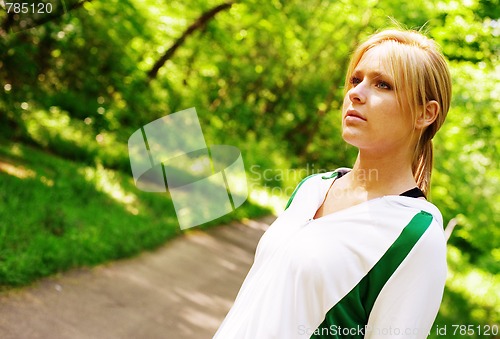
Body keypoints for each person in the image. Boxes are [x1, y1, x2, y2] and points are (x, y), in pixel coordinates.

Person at [214, 28, 451, 339]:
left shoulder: (416, 237)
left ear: (425, 113)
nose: (356, 93)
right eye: (356, 80)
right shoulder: (312, 188)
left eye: (383, 84)